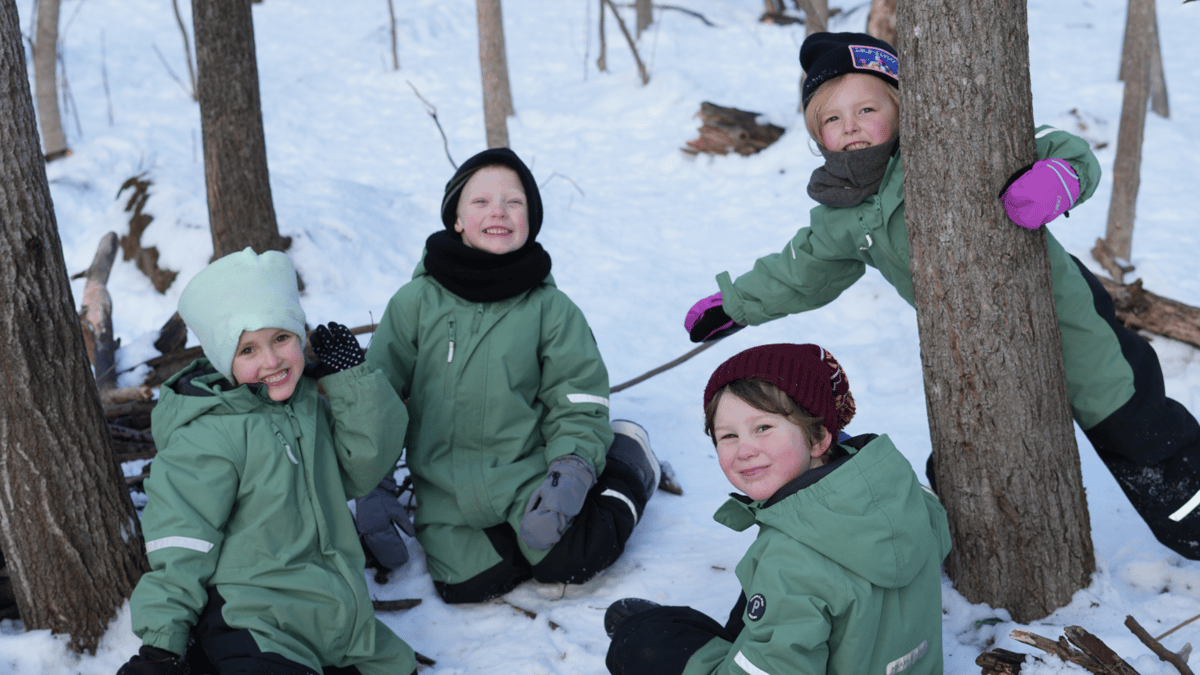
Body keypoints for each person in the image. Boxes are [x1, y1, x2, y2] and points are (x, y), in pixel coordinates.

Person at [684, 31, 1200, 559]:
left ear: (902, 107)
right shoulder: (843, 210)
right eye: (832, 120)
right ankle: (973, 550)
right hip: (975, 345)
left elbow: (1054, 143)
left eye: (867, 107)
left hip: (1064, 317)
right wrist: (736, 304)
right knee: (970, 451)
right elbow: (800, 269)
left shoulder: (950, 145)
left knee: (1137, 427)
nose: (851, 126)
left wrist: (1057, 178)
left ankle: (1193, 515)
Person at [365, 147, 662, 604]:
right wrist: (375, 481)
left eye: (514, 202)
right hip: (446, 494)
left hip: (530, 475)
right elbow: (379, 394)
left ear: (531, 219)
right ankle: (511, 545)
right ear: (457, 219)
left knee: (575, 559)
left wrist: (573, 471)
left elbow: (578, 400)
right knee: (468, 586)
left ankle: (627, 465)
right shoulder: (414, 302)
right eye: (481, 202)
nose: (498, 212)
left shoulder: (551, 309)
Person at [117, 248, 417, 675]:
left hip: (335, 617)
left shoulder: (308, 405)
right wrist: (162, 645)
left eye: (281, 338)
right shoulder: (209, 434)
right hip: (253, 619)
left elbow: (362, 468)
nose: (272, 361)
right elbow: (182, 542)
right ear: (225, 360)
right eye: (248, 350)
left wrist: (354, 382)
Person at [604, 343, 951, 675]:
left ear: (818, 438)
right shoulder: (901, 492)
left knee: (643, 645)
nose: (744, 450)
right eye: (728, 436)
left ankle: (643, 632)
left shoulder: (789, 563)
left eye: (763, 428)